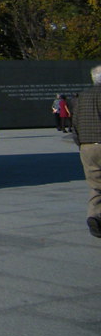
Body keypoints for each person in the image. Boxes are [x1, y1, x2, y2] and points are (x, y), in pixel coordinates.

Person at [71, 64, 101, 238]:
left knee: (95, 185)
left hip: (87, 146)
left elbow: (74, 124)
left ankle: (94, 216)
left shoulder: (82, 97)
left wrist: (81, 144)